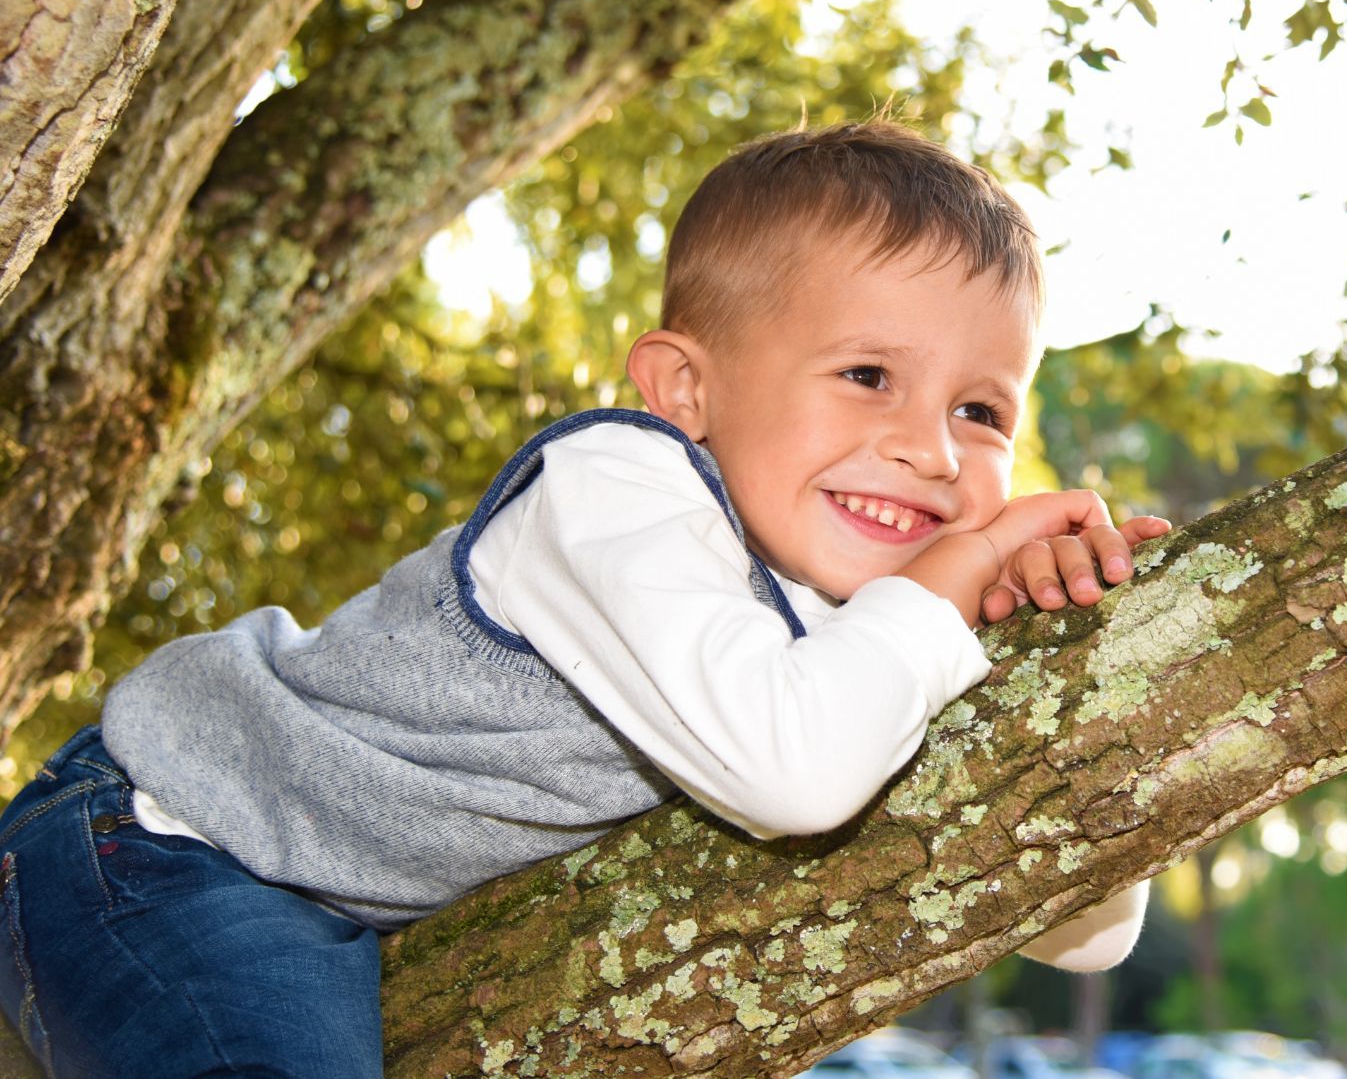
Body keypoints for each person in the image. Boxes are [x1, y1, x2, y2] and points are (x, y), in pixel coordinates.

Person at [0, 116, 1168, 1075]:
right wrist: (948, 587)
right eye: (867, 376)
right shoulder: (611, 488)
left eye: (983, 412)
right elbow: (793, 774)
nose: (929, 447)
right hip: (172, 837)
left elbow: (1087, 921)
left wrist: (1047, 645)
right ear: (684, 390)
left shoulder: (862, 626)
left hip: (339, 907)